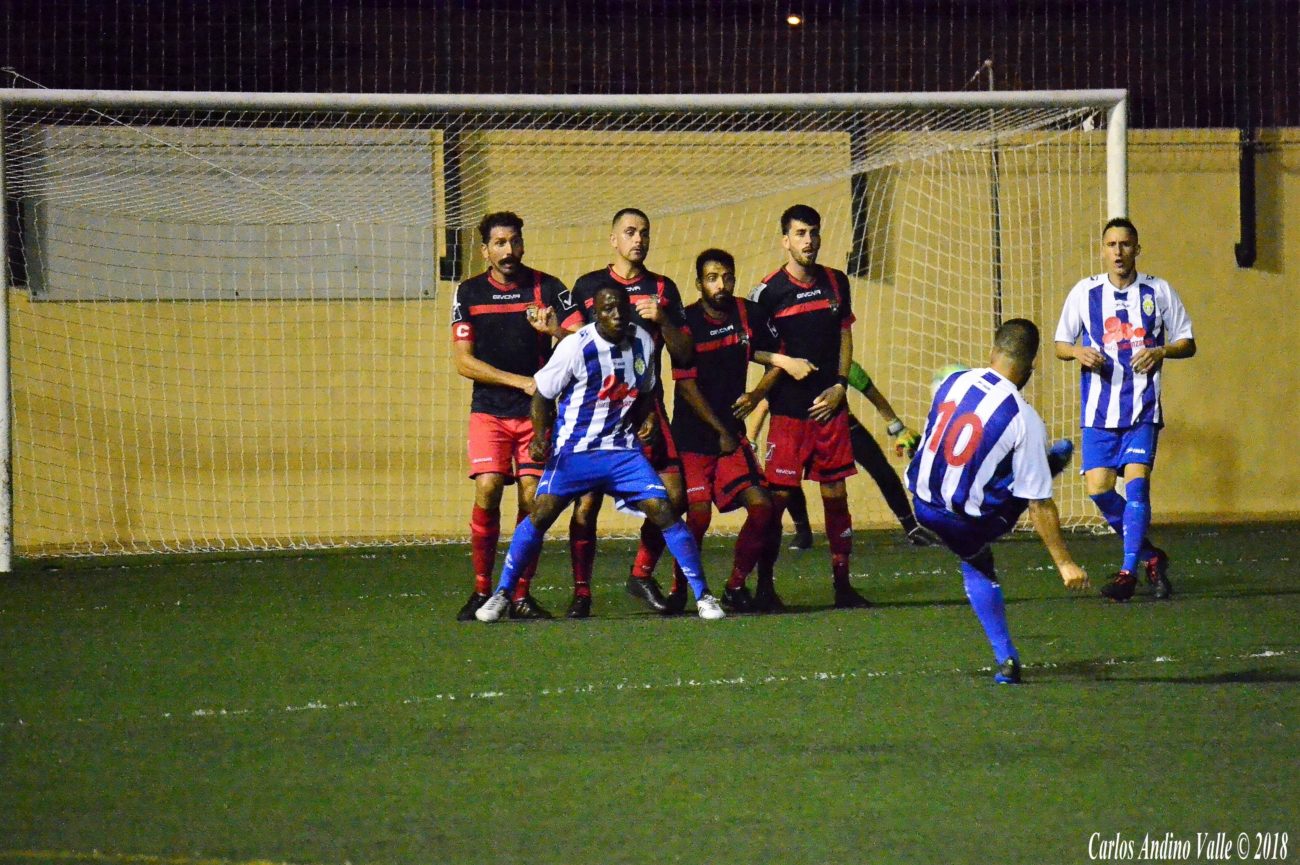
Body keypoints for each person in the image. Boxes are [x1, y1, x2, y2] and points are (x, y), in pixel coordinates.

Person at [476, 283, 725, 622]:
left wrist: (648, 417)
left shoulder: (642, 341)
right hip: (576, 451)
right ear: (596, 314)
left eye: (622, 307)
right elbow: (542, 394)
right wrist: (540, 435)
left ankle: (704, 596)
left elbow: (646, 390)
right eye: (608, 309)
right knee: (541, 512)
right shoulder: (575, 346)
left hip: (622, 452)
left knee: (664, 509)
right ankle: (503, 593)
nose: (617, 314)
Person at [908, 318, 1090, 683]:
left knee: (996, 472)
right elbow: (1039, 507)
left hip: (919, 500)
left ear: (992, 352)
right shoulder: (1025, 418)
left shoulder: (953, 381)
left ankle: (1036, 467)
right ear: (1030, 369)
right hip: (962, 520)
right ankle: (1006, 659)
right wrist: (1065, 563)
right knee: (980, 559)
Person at [558, 208, 694, 614]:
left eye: (644, 233)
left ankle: (640, 574)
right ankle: (581, 593)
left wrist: (663, 320)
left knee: (675, 496)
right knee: (587, 503)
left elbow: (685, 353)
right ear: (613, 240)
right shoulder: (588, 287)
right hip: (595, 413)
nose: (638, 239)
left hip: (646, 409)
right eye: (630, 232)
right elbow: (568, 345)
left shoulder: (663, 289)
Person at [1054, 217, 1196, 602]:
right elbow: (1060, 344)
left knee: (1136, 486)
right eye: (1111, 245)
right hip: (1099, 412)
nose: (1118, 252)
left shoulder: (1158, 291)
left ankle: (1128, 572)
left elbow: (1187, 341)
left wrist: (1160, 350)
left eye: (1125, 244)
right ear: (1103, 251)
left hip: (1141, 408)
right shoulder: (1085, 292)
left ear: (1137, 249)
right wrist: (1078, 352)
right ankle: (1151, 556)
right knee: (1099, 490)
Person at [667, 248, 816, 612]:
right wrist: (720, 430)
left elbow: (778, 357)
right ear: (699, 283)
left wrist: (756, 394)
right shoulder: (687, 321)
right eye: (712, 278)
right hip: (693, 438)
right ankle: (679, 588)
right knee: (698, 515)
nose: (720, 285)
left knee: (762, 506)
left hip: (730, 437)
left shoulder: (749, 314)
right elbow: (685, 386)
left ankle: (735, 586)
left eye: (726, 277)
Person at [451, 211, 576, 621]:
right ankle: (481, 590)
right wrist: (521, 381)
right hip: (489, 411)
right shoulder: (469, 292)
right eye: (500, 243)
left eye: (514, 241)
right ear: (485, 250)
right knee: (488, 487)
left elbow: (584, 339)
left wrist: (555, 331)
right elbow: (463, 362)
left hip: (536, 414)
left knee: (532, 499)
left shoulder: (548, 287)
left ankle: (519, 595)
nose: (509, 251)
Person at [746, 204, 869, 611]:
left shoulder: (836, 281)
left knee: (836, 495)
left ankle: (843, 585)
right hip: (788, 413)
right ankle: (765, 588)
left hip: (829, 410)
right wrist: (784, 363)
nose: (809, 240)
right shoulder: (767, 292)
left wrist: (840, 385)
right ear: (785, 241)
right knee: (777, 501)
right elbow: (752, 348)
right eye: (800, 233)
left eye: (813, 232)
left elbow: (845, 336)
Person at [761, 360, 938, 550]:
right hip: (798, 430)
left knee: (881, 469)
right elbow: (764, 402)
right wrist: (753, 439)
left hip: (841, 426)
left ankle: (911, 528)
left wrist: (897, 427)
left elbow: (870, 391)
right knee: (787, 478)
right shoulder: (787, 364)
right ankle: (803, 532)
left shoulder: (839, 362)